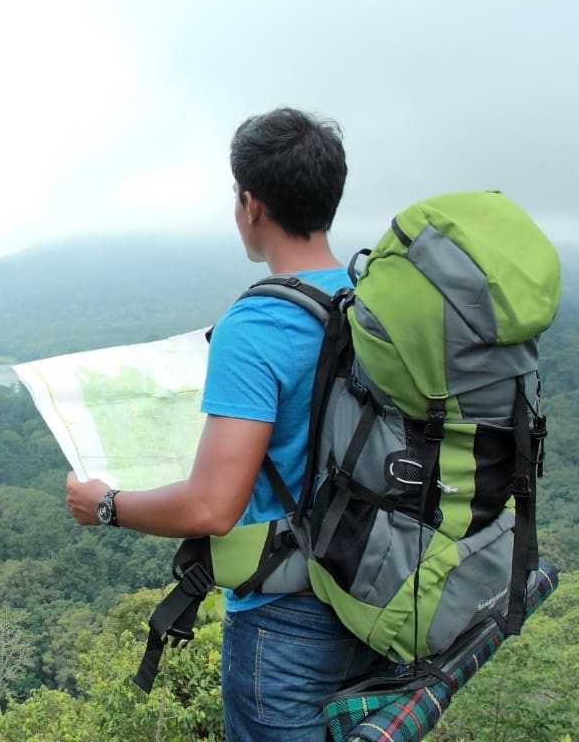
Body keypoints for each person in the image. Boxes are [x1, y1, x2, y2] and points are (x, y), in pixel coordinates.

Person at [66, 106, 379, 741]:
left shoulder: (259, 323)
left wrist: (106, 505)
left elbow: (212, 508)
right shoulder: (370, 298)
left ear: (251, 202)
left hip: (287, 625)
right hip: (376, 597)